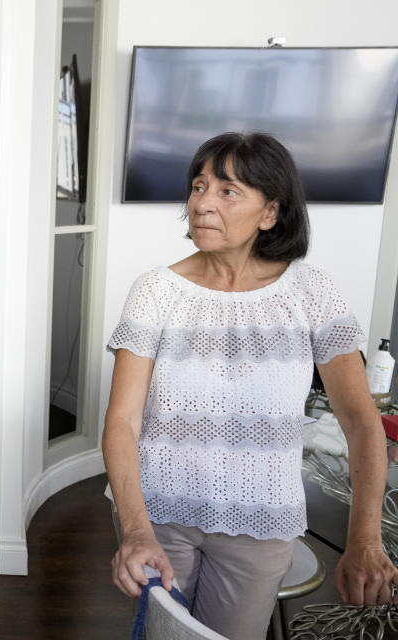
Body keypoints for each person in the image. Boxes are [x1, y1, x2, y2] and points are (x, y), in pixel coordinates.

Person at [103, 131, 398, 639]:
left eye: (227, 191)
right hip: (159, 514)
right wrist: (135, 532)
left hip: (262, 522)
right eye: (198, 186)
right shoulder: (156, 290)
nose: (202, 203)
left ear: (270, 212)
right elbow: (122, 421)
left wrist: (365, 540)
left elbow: (360, 423)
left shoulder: (312, 292)